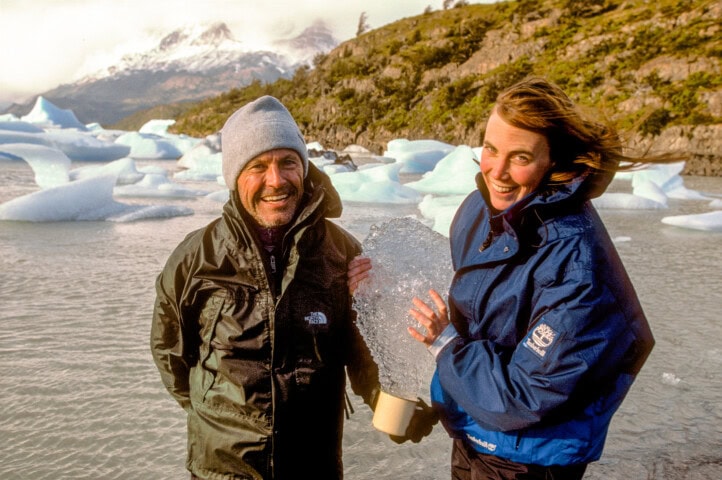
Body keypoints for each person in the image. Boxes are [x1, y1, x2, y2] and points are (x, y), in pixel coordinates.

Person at [357, 77, 674, 479]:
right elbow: (475, 290)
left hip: (532, 455)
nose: (498, 172)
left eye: (520, 157)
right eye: (490, 149)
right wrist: (388, 285)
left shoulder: (576, 266)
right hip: (476, 429)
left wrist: (444, 344)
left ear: (554, 161)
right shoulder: (480, 208)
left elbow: (525, 397)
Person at [151, 95, 389, 480]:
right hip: (223, 470)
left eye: (288, 163)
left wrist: (390, 402)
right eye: (258, 167)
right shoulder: (195, 259)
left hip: (314, 467)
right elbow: (170, 354)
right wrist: (214, 414)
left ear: (304, 169)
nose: (276, 181)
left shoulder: (342, 253)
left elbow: (364, 352)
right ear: (235, 176)